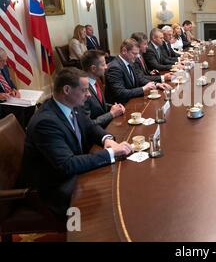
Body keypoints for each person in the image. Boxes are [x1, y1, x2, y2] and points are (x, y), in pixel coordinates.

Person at [18, 67, 133, 218]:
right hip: (55, 189)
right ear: (67, 90)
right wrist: (111, 153)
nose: (89, 95)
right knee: (113, 207)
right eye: (84, 90)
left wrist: (107, 140)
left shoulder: (72, 106)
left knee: (123, 187)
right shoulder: (45, 122)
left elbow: (91, 127)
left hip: (73, 174)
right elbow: (67, 165)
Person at [105, 38, 170, 104]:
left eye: (137, 54)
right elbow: (120, 92)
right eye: (134, 53)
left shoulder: (130, 62)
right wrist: (143, 89)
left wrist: (156, 84)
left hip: (133, 100)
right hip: (122, 105)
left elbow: (140, 79)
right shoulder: (115, 67)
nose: (137, 57)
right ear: (124, 51)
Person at [80, 50, 126, 128]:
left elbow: (100, 105)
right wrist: (112, 114)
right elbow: (87, 124)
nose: (106, 67)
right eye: (103, 64)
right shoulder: (82, 90)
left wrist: (115, 107)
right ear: (93, 68)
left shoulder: (96, 81)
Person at [0, 48, 36, 129]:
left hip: (10, 99)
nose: (5, 63)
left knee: (31, 105)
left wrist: (14, 90)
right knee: (18, 109)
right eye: (2, 61)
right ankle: (20, 134)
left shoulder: (4, 67)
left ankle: (26, 130)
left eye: (6, 60)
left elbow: (10, 83)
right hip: (1, 104)